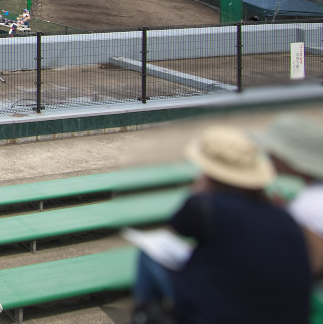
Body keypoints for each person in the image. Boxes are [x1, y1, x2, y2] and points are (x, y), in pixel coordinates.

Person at [130, 125, 311, 324]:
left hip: (221, 314)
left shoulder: (206, 206)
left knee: (148, 255)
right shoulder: (284, 216)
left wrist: (200, 190)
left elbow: (176, 227)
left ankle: (143, 316)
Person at [259, 113, 323, 277]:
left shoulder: (307, 204)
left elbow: (311, 264)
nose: (270, 158)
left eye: (274, 154)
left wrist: (283, 217)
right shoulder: (308, 199)